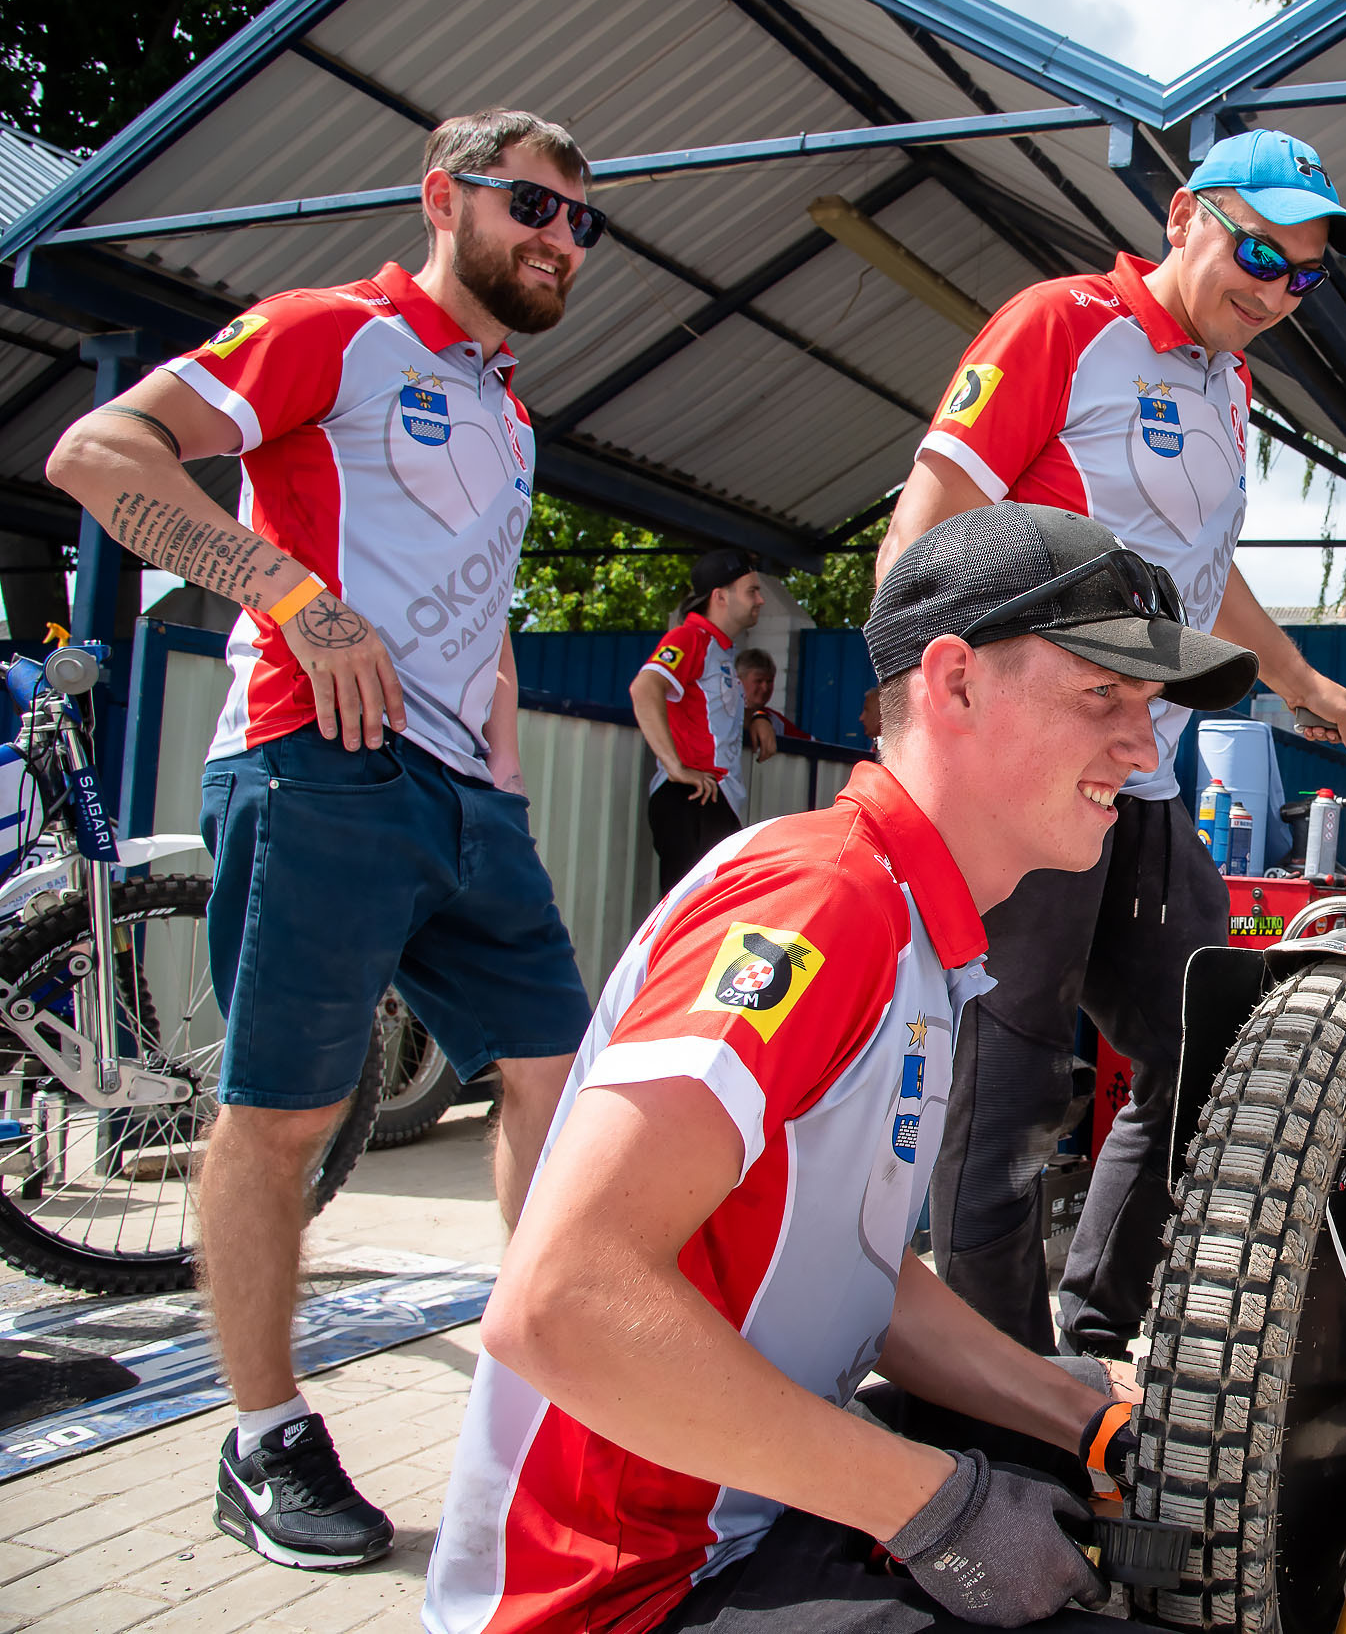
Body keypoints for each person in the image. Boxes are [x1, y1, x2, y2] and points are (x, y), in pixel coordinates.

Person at [421, 500, 1258, 1634]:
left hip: (740, 1523)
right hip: (620, 1590)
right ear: (954, 682)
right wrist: (934, 1503)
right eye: (1102, 694)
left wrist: (1081, 1412)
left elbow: (860, 1275)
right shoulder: (823, 904)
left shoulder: (923, 927)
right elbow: (561, 1301)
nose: (1142, 746)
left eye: (1149, 708)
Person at [42, 108, 602, 1569]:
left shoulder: (510, 407)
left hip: (465, 802)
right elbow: (99, 453)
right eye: (532, 208)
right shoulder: (329, 332)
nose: (558, 241)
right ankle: (262, 1434)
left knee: (561, 1072)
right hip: (316, 764)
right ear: (444, 198)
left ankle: (554, 1367)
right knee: (284, 1115)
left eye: (577, 224)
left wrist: (504, 764)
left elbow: (473, 603)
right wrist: (293, 594)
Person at [875, 128, 1346, 1355]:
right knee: (1005, 1105)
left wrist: (1297, 673)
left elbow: (1205, 573)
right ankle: (984, 1406)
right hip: (1024, 781)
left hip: (1137, 777)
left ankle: (1092, 1337)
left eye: (1302, 276)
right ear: (1184, 215)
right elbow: (921, 540)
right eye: (1259, 251)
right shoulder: (1062, 325)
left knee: (1211, 1048)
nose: (1273, 290)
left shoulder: (1228, 384)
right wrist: (919, 754)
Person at [633, 548, 763, 893]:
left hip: (712, 798)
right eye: (752, 590)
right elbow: (644, 688)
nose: (761, 600)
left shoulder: (718, 648)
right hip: (691, 796)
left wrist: (758, 717)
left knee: (706, 916)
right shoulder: (689, 638)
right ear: (720, 596)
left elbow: (712, 714)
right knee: (689, 921)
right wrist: (674, 767)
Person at [735, 645, 806, 756]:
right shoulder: (722, 713)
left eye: (769, 681)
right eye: (758, 681)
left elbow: (815, 746)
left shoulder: (775, 720)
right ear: (738, 680)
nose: (765, 688)